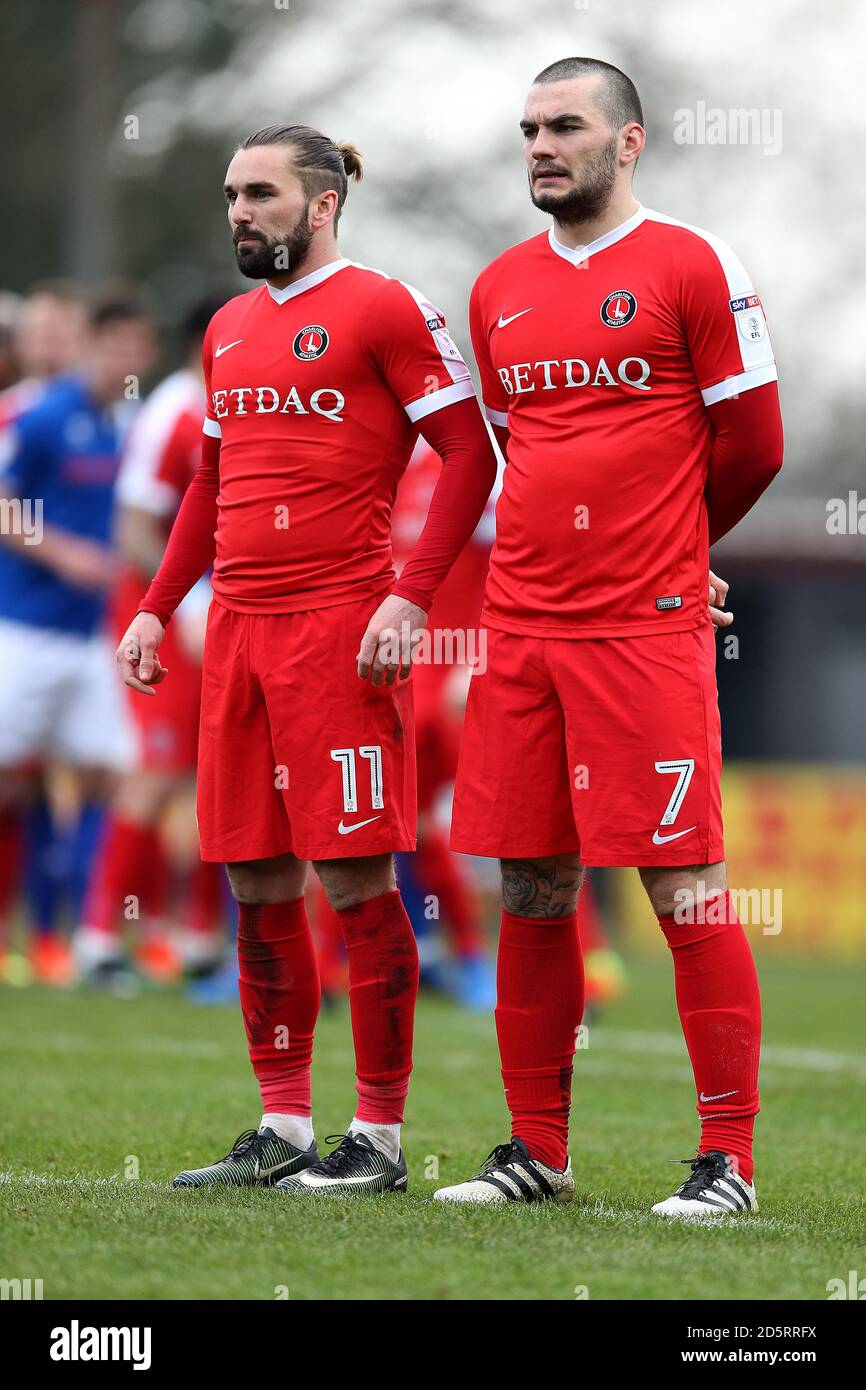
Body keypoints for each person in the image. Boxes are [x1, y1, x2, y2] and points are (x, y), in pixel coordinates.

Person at [117, 125, 497, 1196]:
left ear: (322, 204)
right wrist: (156, 607)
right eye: (230, 194)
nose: (238, 212)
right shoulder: (229, 329)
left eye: (260, 194)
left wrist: (410, 596)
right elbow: (208, 481)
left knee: (353, 873)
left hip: (339, 628)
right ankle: (281, 1123)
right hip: (236, 628)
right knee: (250, 871)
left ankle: (375, 1140)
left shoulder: (385, 306)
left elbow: (470, 449)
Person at [437, 57, 783, 1218]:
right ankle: (536, 1150)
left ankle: (725, 1162)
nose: (540, 144)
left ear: (626, 142)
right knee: (531, 881)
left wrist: (675, 551)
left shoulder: (692, 263)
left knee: (679, 882)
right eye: (528, 128)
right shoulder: (495, 290)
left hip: (644, 630)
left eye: (565, 126)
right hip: (521, 627)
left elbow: (753, 444)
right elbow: (506, 455)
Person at [0, 290, 155, 983]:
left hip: (90, 639)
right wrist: (62, 552)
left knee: (111, 775)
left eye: (134, 347)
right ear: (91, 346)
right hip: (25, 631)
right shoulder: (41, 416)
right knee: (11, 784)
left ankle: (87, 940)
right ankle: (24, 937)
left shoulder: (123, 421)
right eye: (113, 344)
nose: (125, 359)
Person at [74, 295, 228, 988]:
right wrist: (181, 606)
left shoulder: (246, 403)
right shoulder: (174, 409)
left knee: (219, 776)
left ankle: (197, 939)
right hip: (164, 622)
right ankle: (98, 936)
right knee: (154, 772)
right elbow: (135, 526)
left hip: (227, 618)